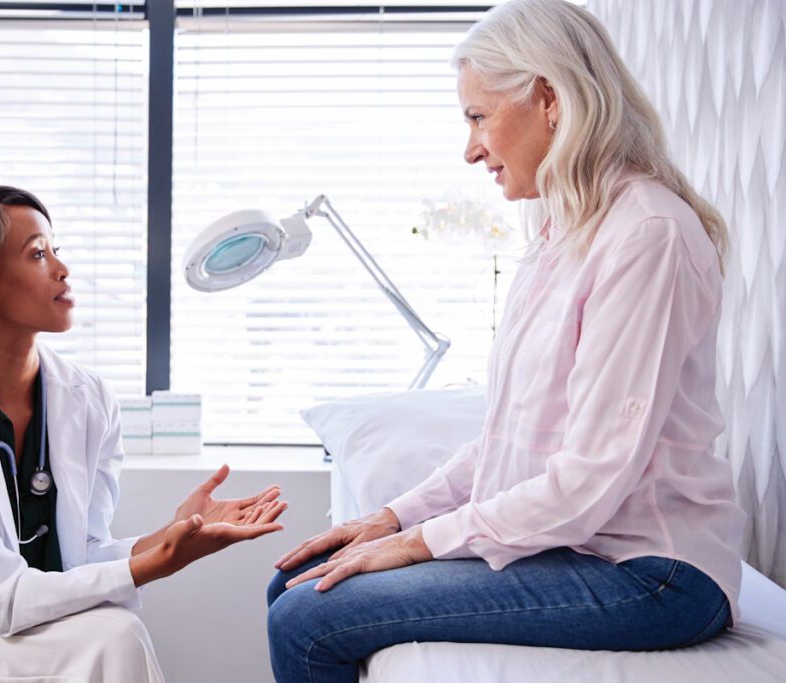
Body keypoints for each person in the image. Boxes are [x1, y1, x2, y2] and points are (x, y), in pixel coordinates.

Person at [266, 0, 745, 680]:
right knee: (301, 580)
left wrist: (419, 545)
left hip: (653, 572)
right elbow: (507, 440)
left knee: (306, 617)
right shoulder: (560, 236)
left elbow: (587, 479)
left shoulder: (646, 235)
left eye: (478, 116)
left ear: (549, 97)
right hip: (584, 548)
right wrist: (392, 517)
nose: (470, 149)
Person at [0, 185, 287, 683]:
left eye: (57, 250)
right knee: (115, 635)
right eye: (37, 254)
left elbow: (83, 557)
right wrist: (156, 563)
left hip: (42, 635)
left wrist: (175, 537)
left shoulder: (90, 399)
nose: (62, 268)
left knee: (114, 632)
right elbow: (2, 599)